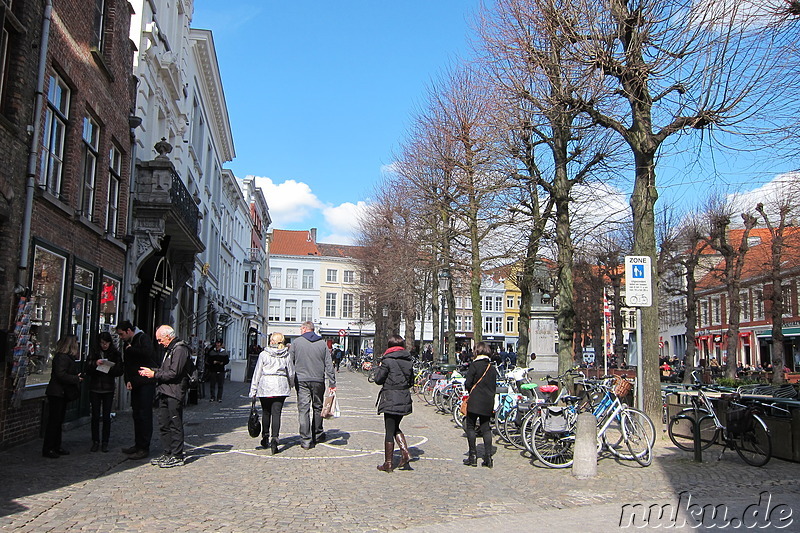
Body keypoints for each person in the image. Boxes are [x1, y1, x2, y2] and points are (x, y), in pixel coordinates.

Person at [138, 325, 192, 468]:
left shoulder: (180, 349)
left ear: (168, 336)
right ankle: (167, 452)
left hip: (174, 392)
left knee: (175, 423)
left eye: (160, 339)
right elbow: (165, 370)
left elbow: (174, 373)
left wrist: (154, 375)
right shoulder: (170, 349)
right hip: (164, 391)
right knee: (164, 423)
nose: (159, 343)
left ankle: (177, 455)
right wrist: (152, 371)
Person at [289, 321, 336, 449]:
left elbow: (290, 363)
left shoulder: (296, 343)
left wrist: (290, 380)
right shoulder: (322, 344)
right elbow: (328, 364)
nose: (300, 330)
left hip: (302, 379)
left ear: (305, 329)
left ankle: (306, 440)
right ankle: (317, 433)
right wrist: (332, 382)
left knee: (304, 409)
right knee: (318, 407)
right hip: (318, 379)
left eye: (301, 328)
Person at [116, 320, 158, 460]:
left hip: (145, 382)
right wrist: (127, 379)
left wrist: (131, 350)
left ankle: (144, 447)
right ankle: (138, 444)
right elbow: (127, 363)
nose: (121, 337)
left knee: (144, 414)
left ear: (129, 330)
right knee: (137, 414)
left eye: (122, 334)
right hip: (135, 382)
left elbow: (147, 354)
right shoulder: (127, 343)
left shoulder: (143, 338)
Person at [249, 332, 295, 454]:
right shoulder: (286, 355)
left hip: (266, 385)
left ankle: (265, 436)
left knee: (266, 412)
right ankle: (275, 438)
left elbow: (257, 372)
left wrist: (253, 389)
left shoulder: (264, 354)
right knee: (276, 413)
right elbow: (291, 372)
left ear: (272, 341)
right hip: (280, 385)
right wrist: (291, 384)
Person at [373, 334, 414, 472]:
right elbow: (411, 381)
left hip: (390, 397)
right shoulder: (408, 361)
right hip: (403, 396)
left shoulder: (387, 360)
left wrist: (379, 368)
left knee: (389, 430)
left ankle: (389, 463)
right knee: (396, 426)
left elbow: (378, 379)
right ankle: (405, 452)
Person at [42, 335, 83, 458]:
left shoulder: (66, 358)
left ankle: (56, 446)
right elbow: (60, 375)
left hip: (61, 393)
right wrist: (76, 378)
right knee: (54, 421)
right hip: (57, 393)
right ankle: (49, 448)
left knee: (58, 420)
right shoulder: (62, 358)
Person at [86, 331, 124, 452]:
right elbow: (87, 367)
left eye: (106, 343)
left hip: (108, 387)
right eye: (102, 343)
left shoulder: (115, 354)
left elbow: (119, 370)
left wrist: (109, 368)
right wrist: (94, 364)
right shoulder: (94, 353)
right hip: (95, 387)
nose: (104, 345)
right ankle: (95, 441)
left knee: (107, 416)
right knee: (95, 416)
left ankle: (105, 441)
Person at [462, 342, 498, 468]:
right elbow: (494, 386)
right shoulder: (492, 368)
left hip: (475, 400)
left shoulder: (474, 366)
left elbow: (468, 383)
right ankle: (488, 458)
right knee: (486, 428)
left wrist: (470, 390)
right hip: (488, 401)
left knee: (470, 426)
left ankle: (472, 456)